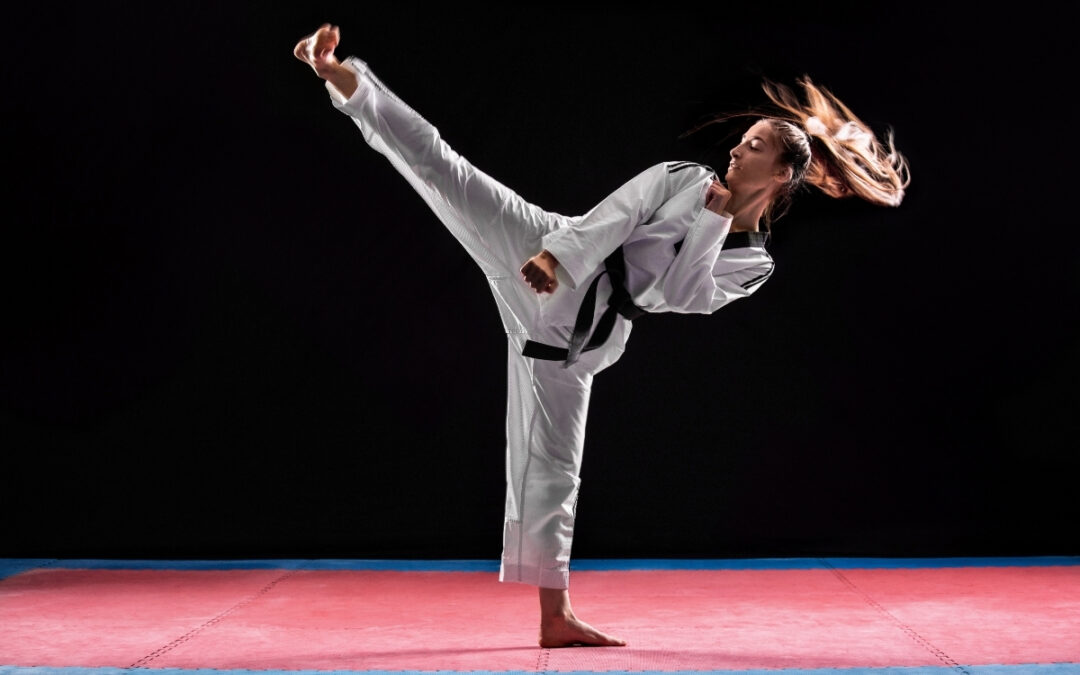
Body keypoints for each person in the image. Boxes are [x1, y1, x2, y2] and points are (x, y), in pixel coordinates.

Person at [293, 24, 910, 648]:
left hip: (579, 338)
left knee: (557, 468)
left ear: (780, 175)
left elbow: (681, 296)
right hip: (544, 247)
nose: (736, 153)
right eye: (743, 141)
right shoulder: (685, 178)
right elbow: (617, 214)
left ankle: (554, 617)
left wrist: (714, 224)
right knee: (442, 167)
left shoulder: (753, 261)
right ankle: (338, 73)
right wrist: (558, 257)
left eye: (753, 149)